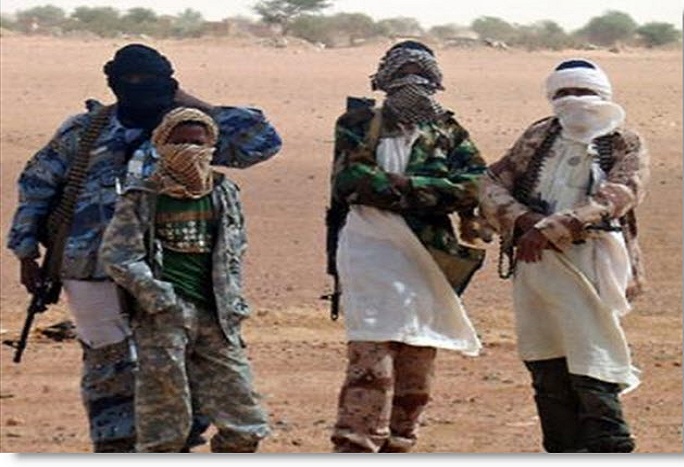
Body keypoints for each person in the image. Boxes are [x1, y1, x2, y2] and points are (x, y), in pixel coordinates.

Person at [6, 43, 282, 452]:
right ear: (112, 83)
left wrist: (188, 102)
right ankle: (118, 445)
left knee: (182, 361)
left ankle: (175, 439)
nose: (138, 87)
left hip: (175, 269)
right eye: (129, 80)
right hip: (92, 265)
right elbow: (37, 185)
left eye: (150, 81)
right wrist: (26, 251)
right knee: (109, 362)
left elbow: (262, 141)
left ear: (169, 82)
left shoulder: (188, 132)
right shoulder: (85, 131)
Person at [478, 58, 650, 453]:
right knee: (545, 358)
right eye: (564, 93)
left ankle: (610, 447)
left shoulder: (624, 141)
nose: (573, 100)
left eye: (583, 92)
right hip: (534, 264)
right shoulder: (538, 135)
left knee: (593, 355)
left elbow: (621, 194)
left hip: (593, 263)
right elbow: (490, 182)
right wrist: (523, 220)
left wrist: (553, 228)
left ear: (602, 94)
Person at [328, 40, 488, 453]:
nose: (413, 81)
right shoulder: (359, 122)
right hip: (370, 250)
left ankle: (400, 446)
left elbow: (475, 185)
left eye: (422, 73)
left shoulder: (449, 132)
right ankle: (356, 446)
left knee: (417, 360)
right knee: (372, 355)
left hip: (427, 257)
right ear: (385, 79)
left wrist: (398, 187)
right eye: (403, 73)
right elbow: (352, 183)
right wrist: (434, 192)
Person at [99, 107, 269, 453]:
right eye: (179, 143)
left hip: (218, 318)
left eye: (198, 143)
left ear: (211, 146)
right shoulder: (143, 197)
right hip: (163, 321)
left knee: (245, 423)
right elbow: (119, 256)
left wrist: (233, 301)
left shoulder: (224, 192)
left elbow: (235, 249)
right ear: (162, 146)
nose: (190, 150)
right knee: (164, 430)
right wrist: (159, 298)